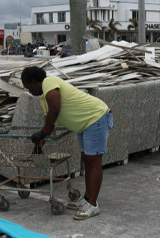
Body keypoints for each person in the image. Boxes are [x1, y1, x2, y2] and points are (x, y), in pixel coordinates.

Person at [21, 66, 113, 220]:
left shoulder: (49, 82)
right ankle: (86, 199)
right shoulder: (44, 100)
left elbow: (56, 108)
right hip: (84, 125)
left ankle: (93, 204)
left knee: (93, 161)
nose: (29, 91)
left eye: (28, 87)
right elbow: (50, 123)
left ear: (34, 81)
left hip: (95, 117)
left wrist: (42, 133)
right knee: (87, 160)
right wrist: (39, 146)